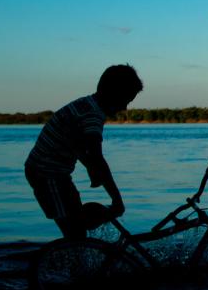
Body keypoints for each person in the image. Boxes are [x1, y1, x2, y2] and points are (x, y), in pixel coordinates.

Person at [25, 65, 143, 241]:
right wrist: (117, 199)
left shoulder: (86, 104)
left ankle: (82, 241)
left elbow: (77, 145)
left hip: (53, 173)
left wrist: (90, 168)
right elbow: (97, 158)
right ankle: (69, 264)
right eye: (126, 100)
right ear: (113, 93)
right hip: (46, 174)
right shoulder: (92, 116)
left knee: (77, 227)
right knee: (75, 233)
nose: (125, 107)